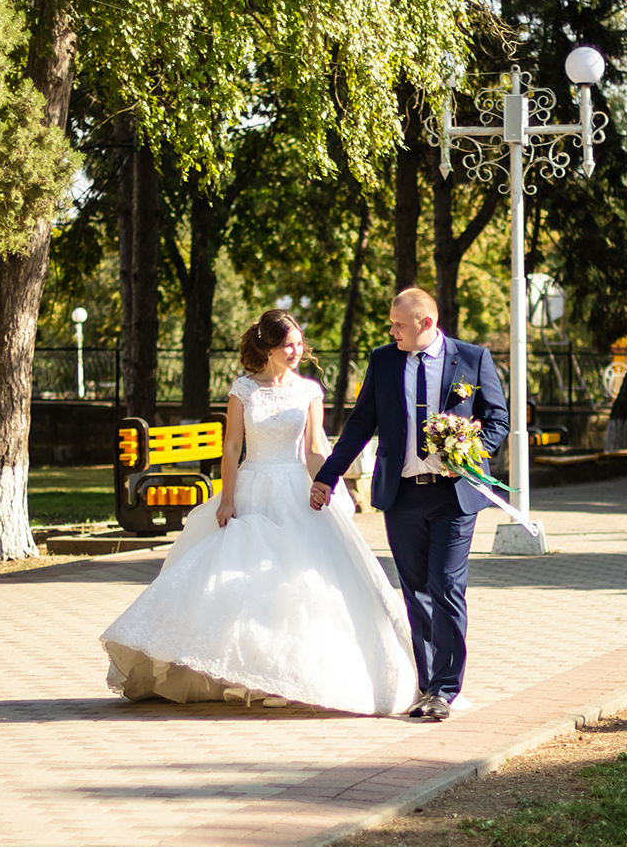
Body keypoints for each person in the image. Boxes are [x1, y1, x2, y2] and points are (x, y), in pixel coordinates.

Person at [101, 310, 416, 716]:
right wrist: (227, 498)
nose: (296, 351)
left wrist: (327, 483)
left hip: (295, 491)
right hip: (252, 489)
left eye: (299, 343)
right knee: (241, 581)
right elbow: (232, 447)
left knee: (294, 586)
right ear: (268, 347)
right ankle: (249, 673)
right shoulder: (244, 389)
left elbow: (314, 448)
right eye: (288, 345)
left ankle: (288, 677)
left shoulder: (308, 391)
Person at [311, 288, 509, 723]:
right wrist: (328, 475)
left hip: (453, 495)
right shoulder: (383, 360)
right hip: (401, 495)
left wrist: (469, 452)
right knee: (416, 591)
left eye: (399, 324)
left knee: (446, 587)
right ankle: (426, 684)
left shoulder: (472, 358)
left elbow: (498, 419)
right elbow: (361, 423)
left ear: (426, 323)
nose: (392, 331)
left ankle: (445, 690)